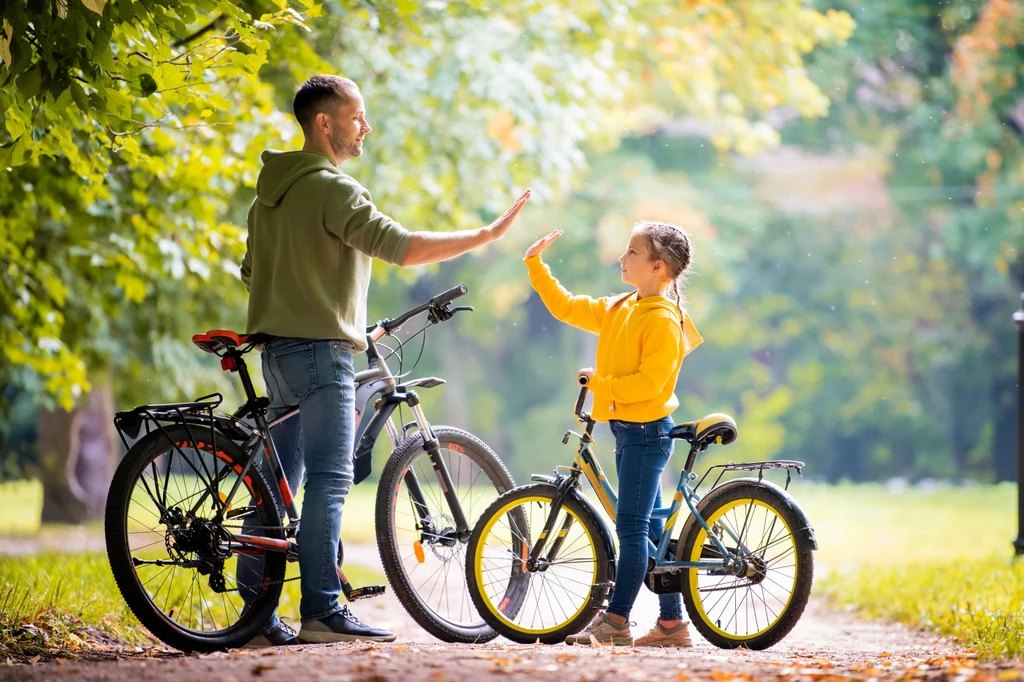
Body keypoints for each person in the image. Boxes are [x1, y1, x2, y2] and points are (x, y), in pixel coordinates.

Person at [238, 74, 531, 646]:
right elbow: (403, 247)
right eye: (357, 116)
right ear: (325, 122)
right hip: (323, 355)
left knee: (277, 485)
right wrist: (486, 234)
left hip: (277, 352)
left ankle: (254, 620)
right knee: (329, 479)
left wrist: (334, 310)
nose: (365, 127)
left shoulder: (267, 195)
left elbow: (256, 273)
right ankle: (322, 610)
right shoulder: (333, 189)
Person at [522, 222, 703, 647]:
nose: (622, 259)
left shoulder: (661, 319)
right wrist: (535, 266)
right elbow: (569, 307)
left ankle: (616, 622)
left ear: (658, 267)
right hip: (628, 431)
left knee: (632, 530)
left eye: (633, 253)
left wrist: (599, 383)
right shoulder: (623, 306)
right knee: (651, 531)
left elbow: (649, 385)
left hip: (644, 433)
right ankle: (672, 626)